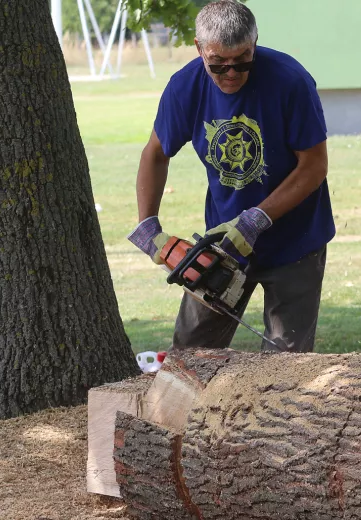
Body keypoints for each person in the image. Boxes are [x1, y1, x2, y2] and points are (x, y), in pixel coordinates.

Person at [127, 0, 333, 353]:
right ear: (199, 49)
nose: (231, 73)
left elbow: (314, 166)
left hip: (295, 242)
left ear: (254, 43)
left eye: (242, 60)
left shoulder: (290, 81)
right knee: (191, 354)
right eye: (218, 64)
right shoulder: (185, 87)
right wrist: (147, 225)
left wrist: (257, 219)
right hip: (223, 246)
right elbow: (155, 154)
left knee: (286, 363)